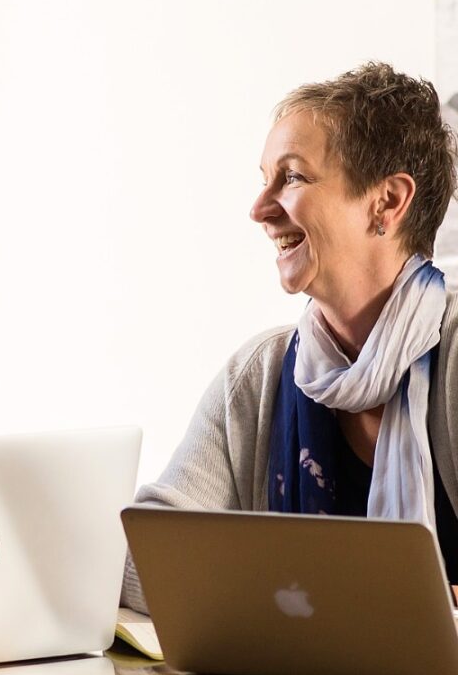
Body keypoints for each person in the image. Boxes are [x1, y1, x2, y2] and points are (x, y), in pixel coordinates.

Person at [122, 62, 458, 614]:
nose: (260, 210)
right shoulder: (259, 374)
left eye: (293, 177)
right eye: (264, 180)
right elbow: (145, 564)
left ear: (388, 202)